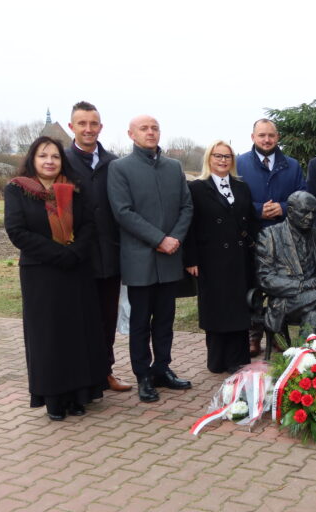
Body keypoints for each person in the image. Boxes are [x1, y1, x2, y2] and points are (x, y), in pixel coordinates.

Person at [4, 136, 108, 420]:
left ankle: (79, 396)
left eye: (55, 156)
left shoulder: (74, 188)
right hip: (41, 274)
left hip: (76, 270)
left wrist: (73, 253)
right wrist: (58, 254)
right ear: (32, 159)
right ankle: (54, 399)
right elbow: (17, 231)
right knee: (49, 337)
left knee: (78, 334)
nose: (49, 161)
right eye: (43, 156)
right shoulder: (17, 189)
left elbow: (89, 225)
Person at [107, 115, 193, 403]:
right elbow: (123, 212)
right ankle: (143, 374)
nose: (150, 132)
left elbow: (186, 206)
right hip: (140, 260)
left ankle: (162, 368)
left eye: (155, 128)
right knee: (141, 322)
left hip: (169, 258)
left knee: (165, 320)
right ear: (131, 134)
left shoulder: (174, 167)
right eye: (144, 128)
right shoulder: (120, 168)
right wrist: (159, 239)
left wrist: (175, 238)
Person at [64, 101, 132, 393]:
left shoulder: (113, 163)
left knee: (106, 319)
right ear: (72, 127)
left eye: (93, 123)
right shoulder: (62, 161)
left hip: (110, 256)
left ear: (101, 127)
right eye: (82, 123)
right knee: (79, 320)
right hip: (78, 257)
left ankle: (105, 371)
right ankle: (82, 376)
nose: (88, 129)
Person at [185, 141, 259, 374]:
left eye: (227, 156)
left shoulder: (241, 187)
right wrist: (191, 259)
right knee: (216, 309)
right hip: (211, 259)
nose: (223, 160)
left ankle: (237, 358)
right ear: (209, 158)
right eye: (218, 156)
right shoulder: (197, 188)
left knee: (238, 308)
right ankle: (217, 359)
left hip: (239, 258)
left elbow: (251, 221)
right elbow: (190, 225)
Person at [256, 190, 316, 336]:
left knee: (313, 316)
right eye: (305, 212)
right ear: (290, 211)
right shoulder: (270, 235)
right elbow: (265, 279)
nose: (310, 217)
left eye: (314, 212)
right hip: (286, 300)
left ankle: (308, 349)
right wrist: (302, 285)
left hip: (313, 297)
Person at [236, 119, 306, 228]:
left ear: (278, 137)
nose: (267, 140)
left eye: (271, 135)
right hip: (248, 233)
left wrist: (284, 208)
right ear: (253, 137)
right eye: (262, 135)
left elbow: (303, 198)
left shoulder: (293, 166)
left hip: (285, 233)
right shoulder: (237, 164)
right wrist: (257, 210)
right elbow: (230, 199)